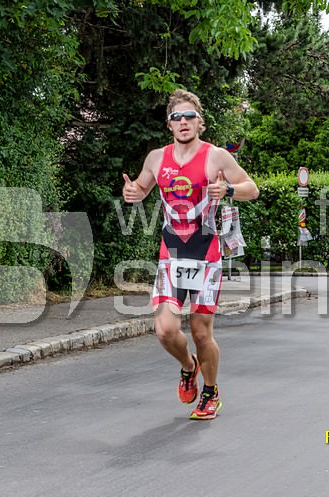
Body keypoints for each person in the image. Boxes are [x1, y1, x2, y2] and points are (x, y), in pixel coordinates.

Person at [122, 89, 258, 420]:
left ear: (200, 123)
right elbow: (141, 188)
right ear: (169, 125)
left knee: (200, 331)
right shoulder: (157, 158)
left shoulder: (216, 157)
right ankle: (188, 366)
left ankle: (210, 392)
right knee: (165, 330)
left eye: (189, 116)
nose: (183, 122)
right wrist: (133, 192)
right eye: (176, 117)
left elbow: (251, 189)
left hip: (205, 254)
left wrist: (228, 189)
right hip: (172, 253)